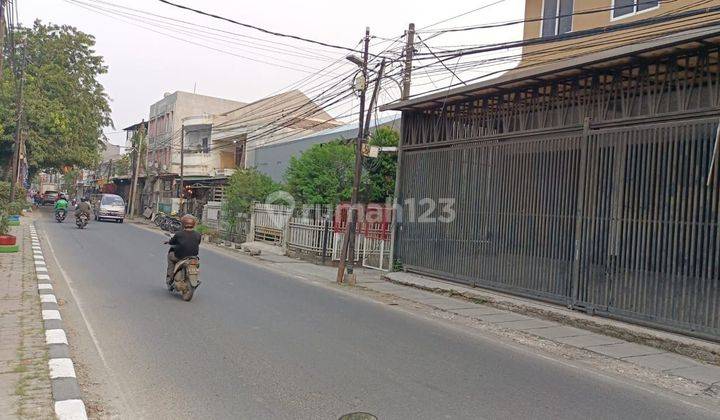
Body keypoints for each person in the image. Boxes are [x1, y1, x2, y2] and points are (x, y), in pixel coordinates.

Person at [166, 214, 202, 286]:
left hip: (180, 257)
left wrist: (168, 242)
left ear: (183, 224)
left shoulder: (179, 234)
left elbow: (172, 242)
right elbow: (198, 242)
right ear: (194, 224)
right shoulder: (198, 234)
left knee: (170, 256)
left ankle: (170, 278)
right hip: (193, 257)